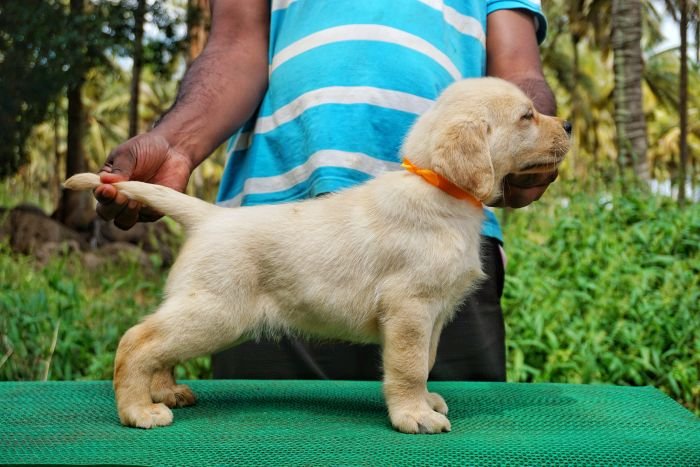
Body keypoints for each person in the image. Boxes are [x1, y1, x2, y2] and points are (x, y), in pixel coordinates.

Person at [94, 0, 558, 382]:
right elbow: (235, 50)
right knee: (264, 444)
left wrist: (529, 138)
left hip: (453, 222)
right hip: (275, 237)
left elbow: (518, 70)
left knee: (450, 446)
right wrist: (175, 146)